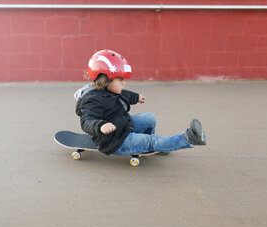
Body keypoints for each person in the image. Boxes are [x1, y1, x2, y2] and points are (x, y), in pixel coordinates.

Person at [75, 49, 206, 156]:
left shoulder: (107, 89)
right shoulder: (91, 99)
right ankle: (188, 138)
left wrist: (136, 97)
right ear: (105, 80)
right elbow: (86, 121)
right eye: (121, 80)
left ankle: (152, 146)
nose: (124, 83)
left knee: (149, 118)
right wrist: (101, 126)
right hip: (115, 141)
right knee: (152, 141)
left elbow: (123, 94)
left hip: (123, 126)